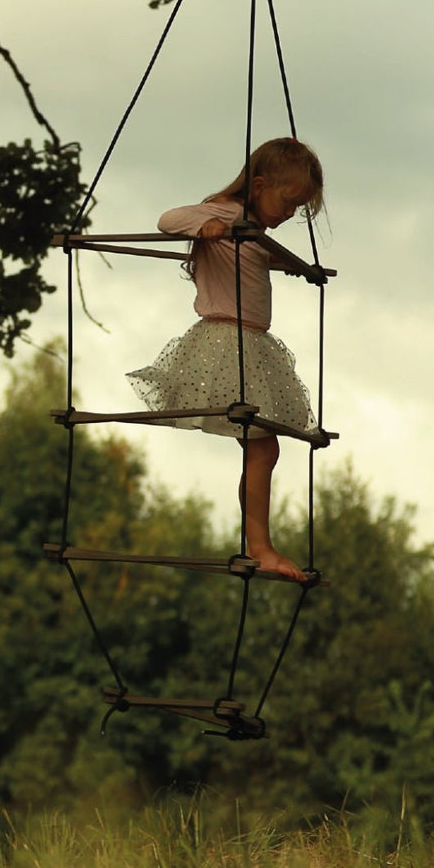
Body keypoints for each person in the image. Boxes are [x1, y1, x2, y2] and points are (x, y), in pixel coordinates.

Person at [126, 138, 324, 582]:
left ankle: (261, 545)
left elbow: (249, 257)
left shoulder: (251, 230)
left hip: (250, 345)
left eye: (299, 209)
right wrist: (205, 226)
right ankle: (261, 547)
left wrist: (282, 260)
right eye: (288, 202)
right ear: (258, 185)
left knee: (262, 448)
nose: (291, 214)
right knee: (263, 446)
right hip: (226, 344)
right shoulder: (228, 214)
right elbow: (167, 220)